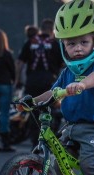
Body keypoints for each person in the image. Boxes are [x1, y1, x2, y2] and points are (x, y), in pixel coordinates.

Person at [16, 0, 94, 175]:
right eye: (71, 43)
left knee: (89, 164)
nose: (77, 47)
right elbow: (52, 92)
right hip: (71, 128)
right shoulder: (67, 72)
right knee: (59, 163)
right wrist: (29, 102)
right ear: (63, 46)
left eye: (83, 41)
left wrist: (83, 85)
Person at [16, 18, 64, 147]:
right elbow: (64, 63)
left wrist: (18, 80)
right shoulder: (55, 44)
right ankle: (49, 142)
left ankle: (35, 142)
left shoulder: (30, 42)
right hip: (49, 82)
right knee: (51, 111)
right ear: (52, 30)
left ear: (41, 29)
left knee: (33, 111)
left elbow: (20, 63)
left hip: (32, 82)